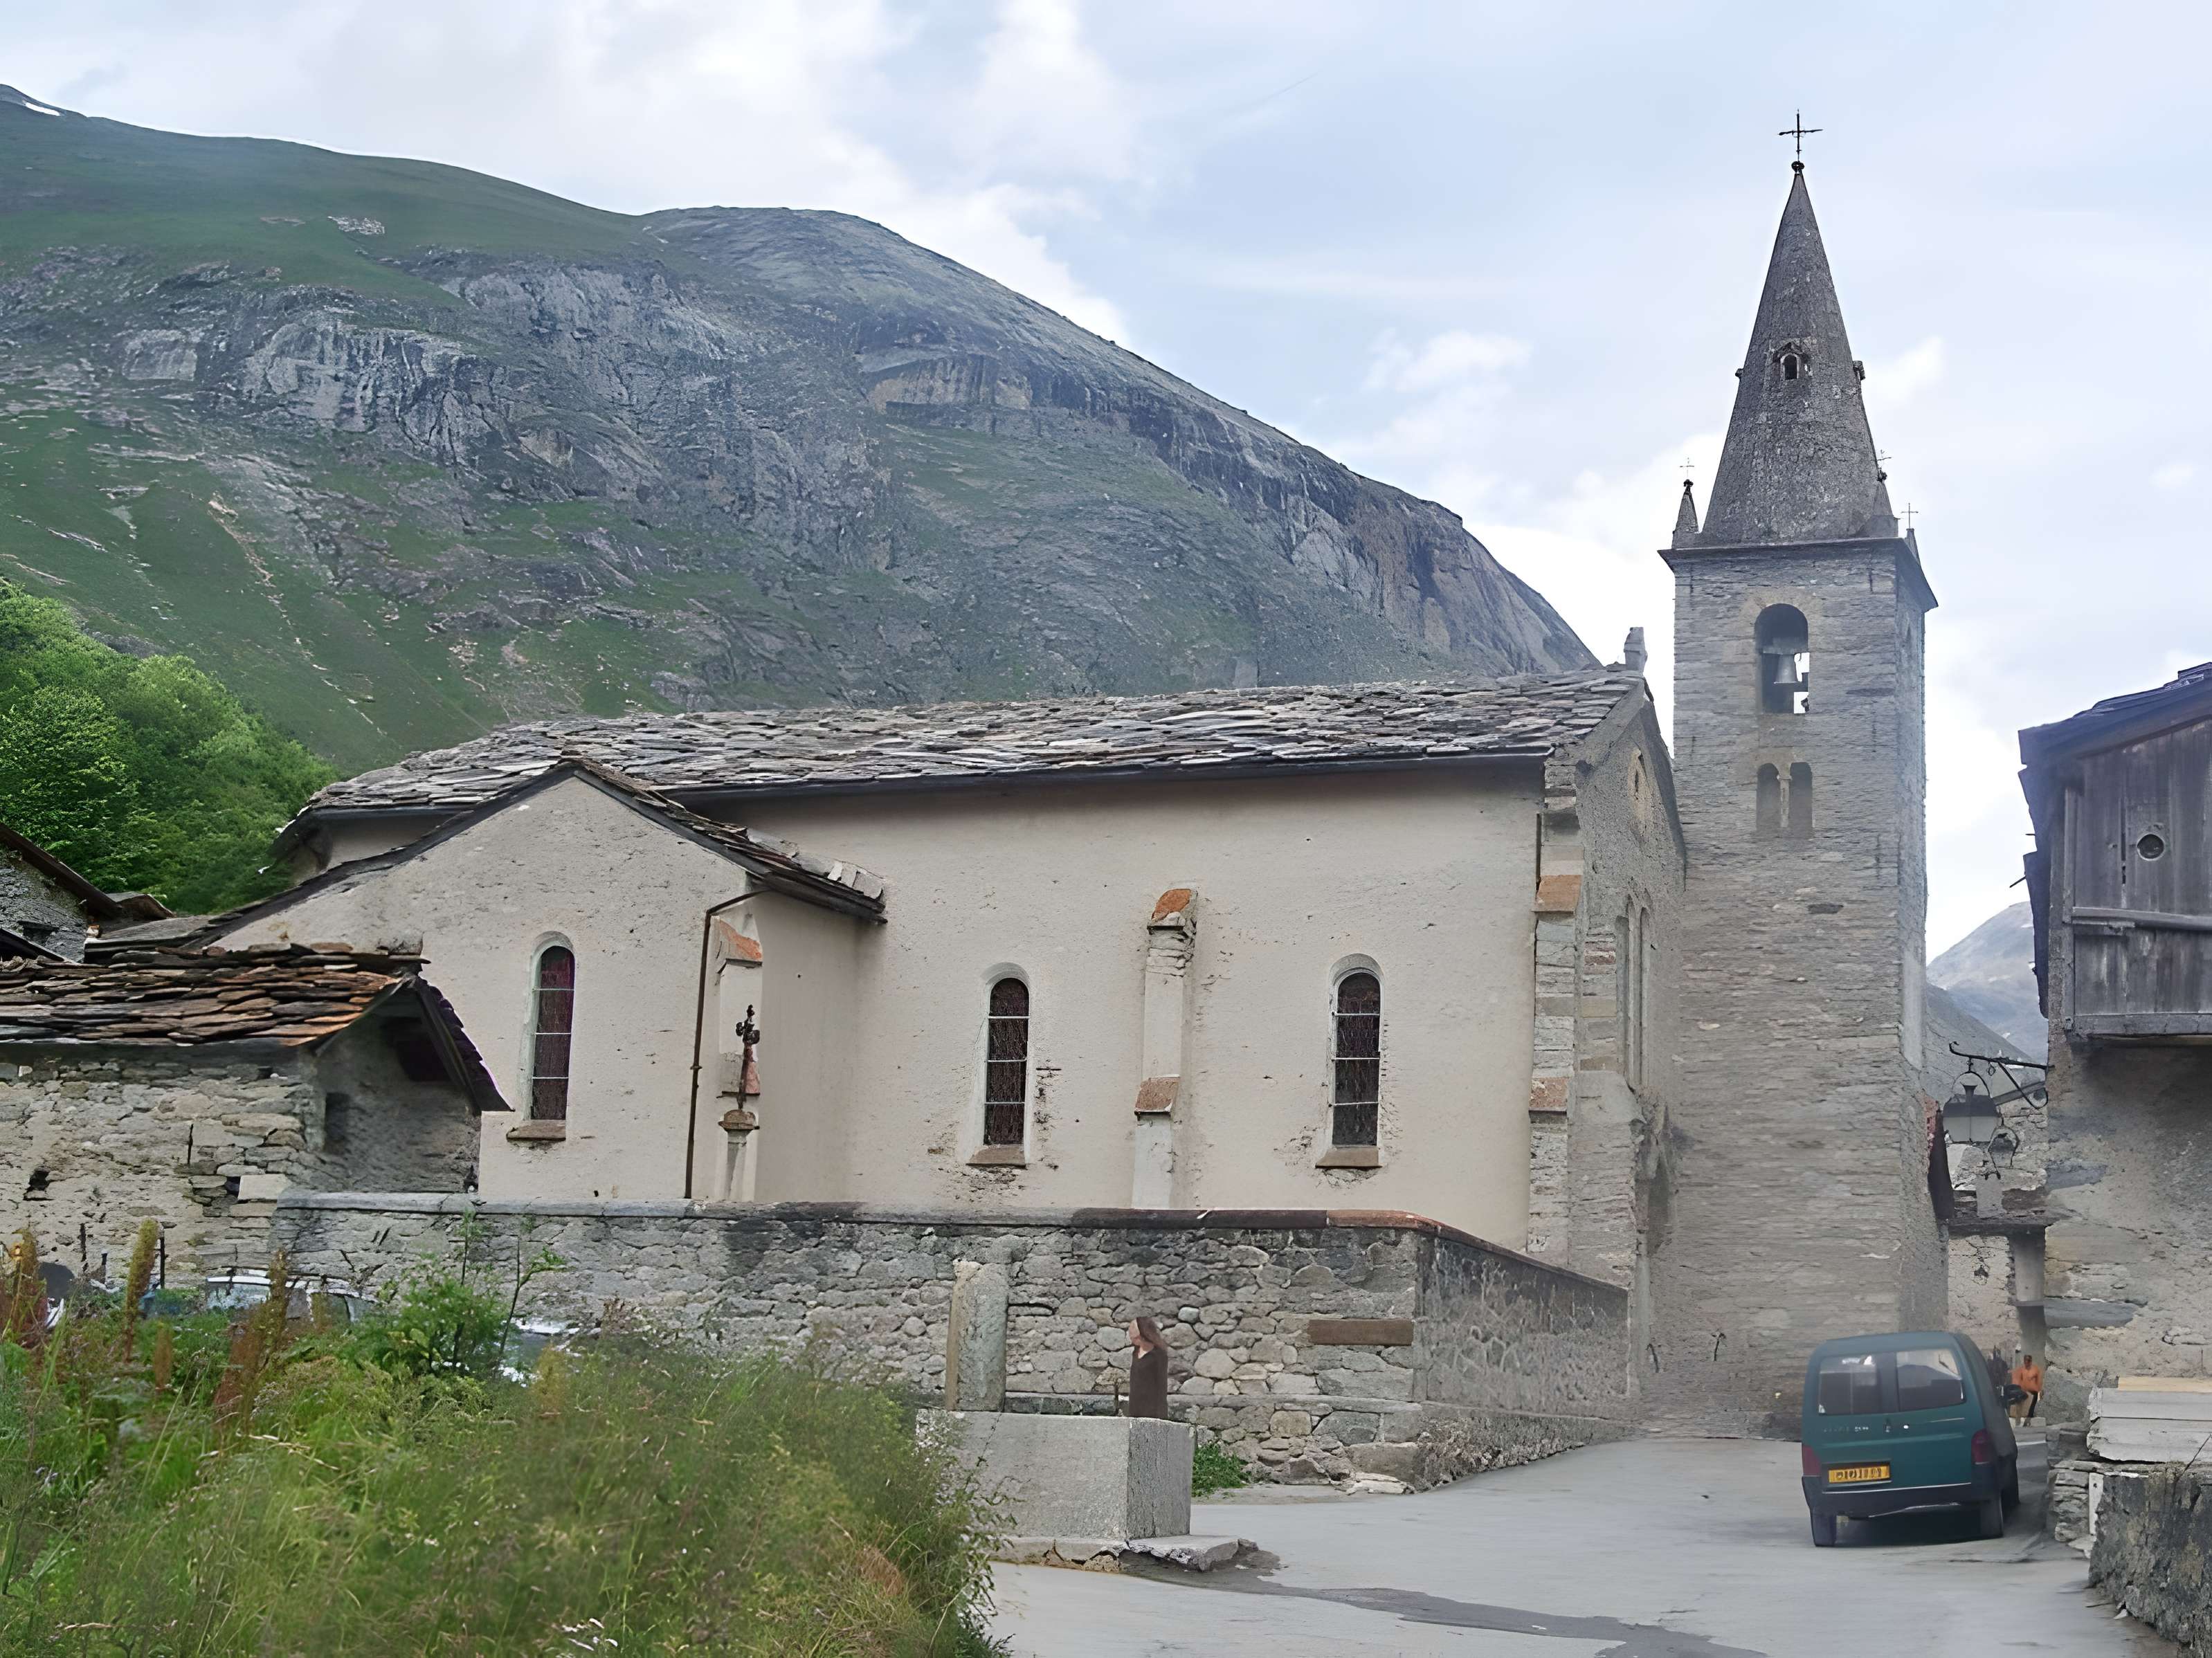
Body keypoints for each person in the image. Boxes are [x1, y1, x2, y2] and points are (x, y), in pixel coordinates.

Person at [1126, 1317, 1168, 1419]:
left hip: (1152, 1411)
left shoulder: (1159, 1355)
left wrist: (1160, 1414)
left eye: (1135, 1337)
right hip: (1135, 1409)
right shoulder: (1135, 1353)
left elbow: (1162, 1386)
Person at [2010, 1352, 2044, 1424]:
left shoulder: (2035, 1370)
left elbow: (2039, 1381)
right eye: (2026, 1361)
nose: (2027, 1363)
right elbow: (2017, 1380)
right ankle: (2018, 1420)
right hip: (2023, 1391)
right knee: (2019, 1406)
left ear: (2031, 1361)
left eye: (2028, 1361)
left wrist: (2040, 1390)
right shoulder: (2021, 1370)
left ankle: (2028, 1421)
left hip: (2033, 1392)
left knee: (2031, 1407)